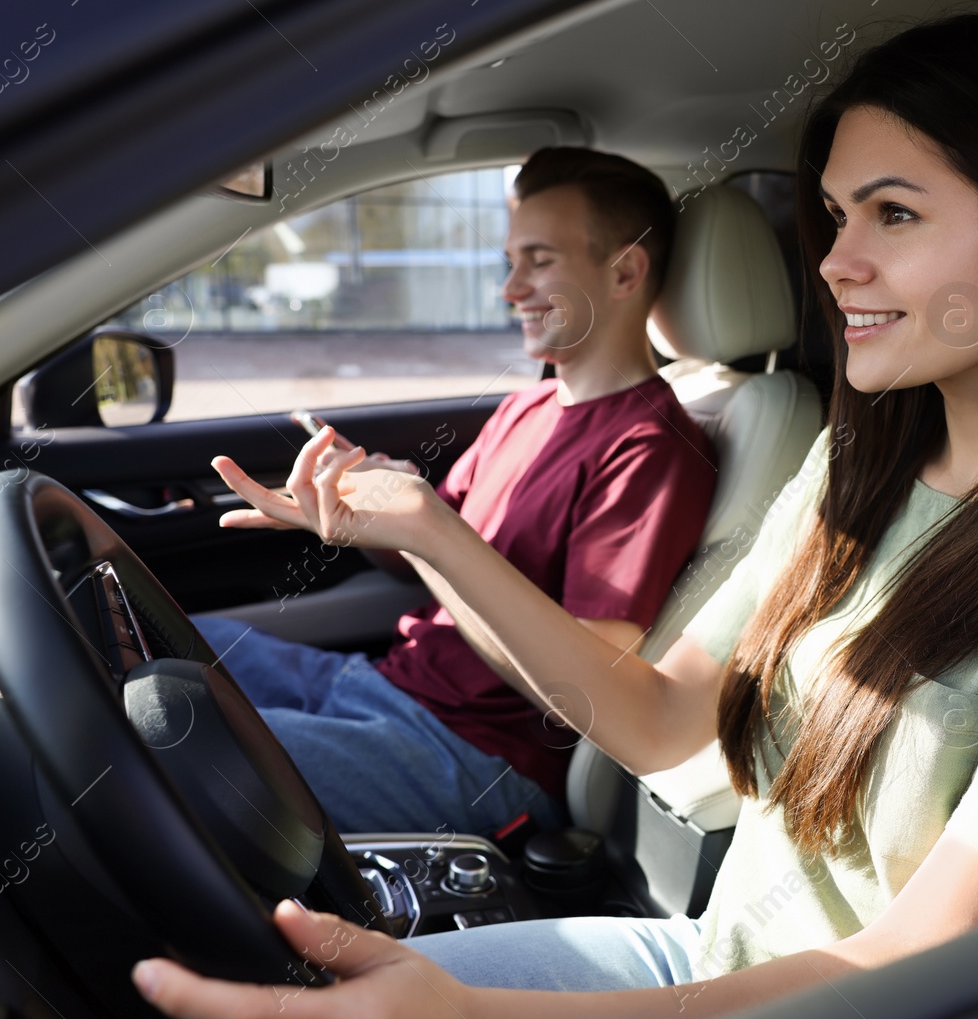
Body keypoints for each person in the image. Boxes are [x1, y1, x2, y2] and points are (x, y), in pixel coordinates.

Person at [136, 13, 978, 1019]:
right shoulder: (850, 470)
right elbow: (664, 721)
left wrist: (472, 1018)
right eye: (834, 214)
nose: (833, 260)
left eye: (896, 213)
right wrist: (431, 530)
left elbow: (926, 960)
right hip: (709, 962)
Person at [191, 147, 718, 840]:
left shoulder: (650, 449)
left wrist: (429, 525)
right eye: (511, 262)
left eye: (539, 260)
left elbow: (581, 695)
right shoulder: (525, 410)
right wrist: (372, 515)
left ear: (624, 271)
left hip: (475, 753)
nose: (510, 289)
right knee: (154, 643)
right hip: (385, 682)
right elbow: (432, 561)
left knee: (175, 744)